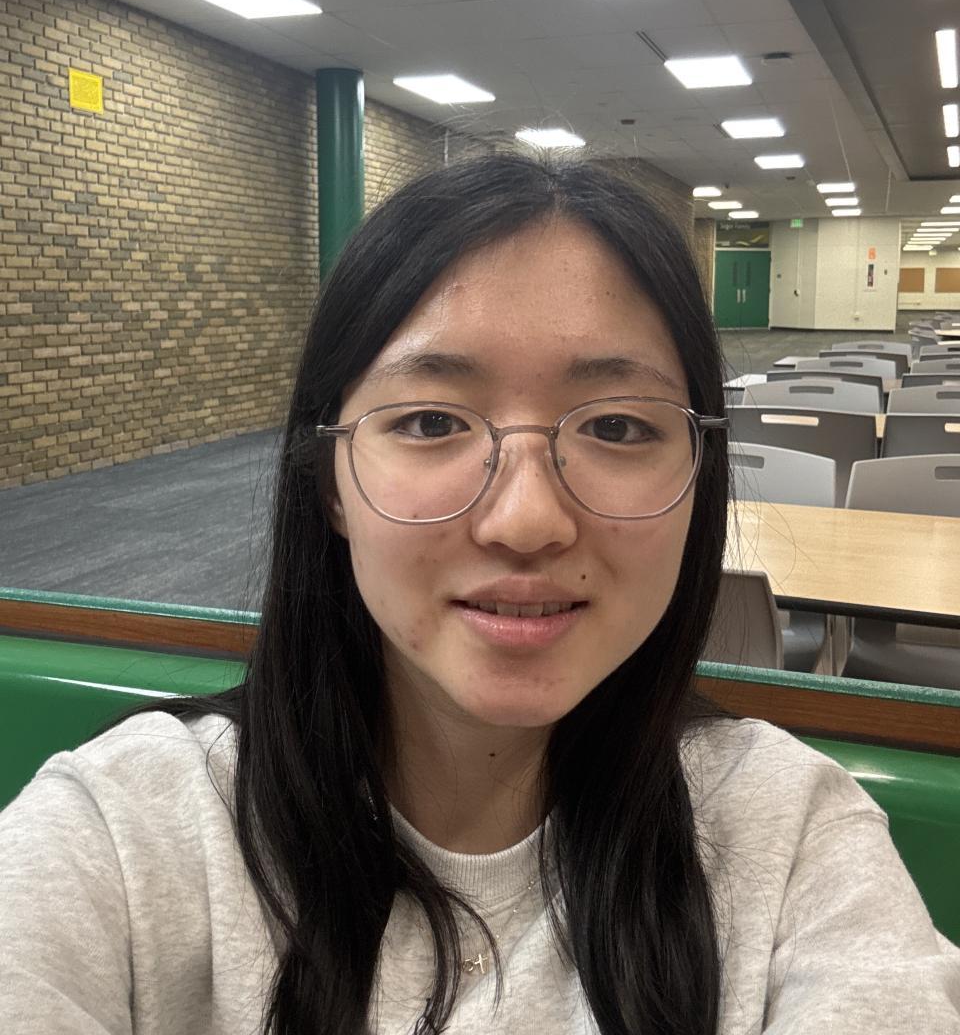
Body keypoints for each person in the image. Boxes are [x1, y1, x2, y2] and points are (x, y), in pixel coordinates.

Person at [1, 154, 958, 1035]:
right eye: (430, 421)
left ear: (701, 473)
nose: (527, 520)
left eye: (618, 427)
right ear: (329, 481)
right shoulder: (120, 836)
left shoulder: (791, 841)